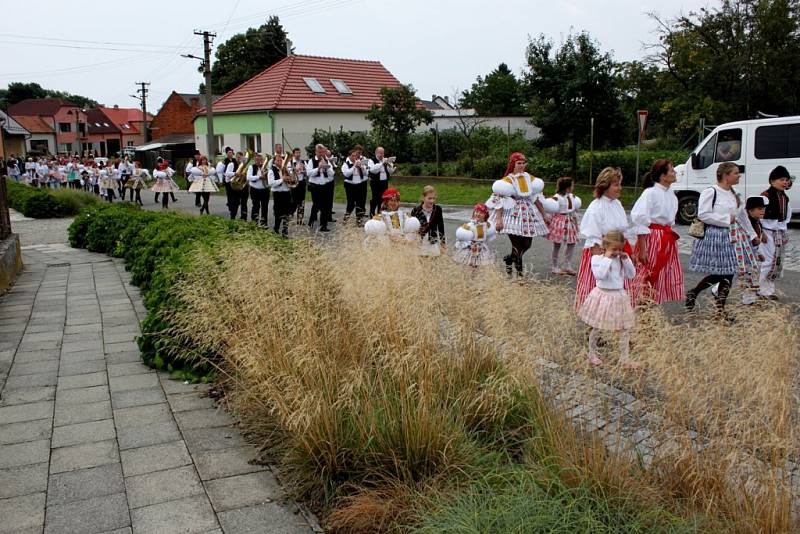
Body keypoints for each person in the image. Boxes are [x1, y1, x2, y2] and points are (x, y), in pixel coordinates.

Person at [685, 162, 755, 319]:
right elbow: (703, 214)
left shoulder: (735, 193)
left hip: (733, 236)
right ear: (726, 175)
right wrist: (725, 219)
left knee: (729, 273)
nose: (739, 175)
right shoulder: (711, 192)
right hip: (715, 236)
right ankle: (699, 295)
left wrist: (753, 235)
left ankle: (717, 308)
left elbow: (742, 216)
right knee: (722, 273)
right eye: (736, 173)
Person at [576, 167, 639, 309]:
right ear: (605, 186)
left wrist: (629, 252)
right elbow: (594, 238)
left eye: (620, 184)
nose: (620, 188)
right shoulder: (596, 207)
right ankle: (594, 322)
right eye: (616, 185)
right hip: (602, 253)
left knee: (618, 293)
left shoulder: (617, 204)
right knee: (600, 296)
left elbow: (622, 232)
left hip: (617, 250)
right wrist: (604, 259)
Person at [486, 152, 553, 277]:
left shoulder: (529, 178)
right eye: (519, 163)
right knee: (517, 245)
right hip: (512, 214)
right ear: (513, 164)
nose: (522, 166)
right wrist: (499, 219)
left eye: (523, 163)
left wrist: (544, 214)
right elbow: (500, 200)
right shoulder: (507, 181)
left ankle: (509, 259)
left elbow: (535, 197)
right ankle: (520, 275)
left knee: (527, 244)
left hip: (528, 213)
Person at [578, 230, 638, 368]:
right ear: (605, 247)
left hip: (618, 296)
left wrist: (626, 259)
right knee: (597, 327)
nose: (617, 252)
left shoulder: (620, 259)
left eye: (620, 249)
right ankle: (591, 354)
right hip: (603, 295)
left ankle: (625, 359)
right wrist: (607, 258)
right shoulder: (597, 259)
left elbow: (631, 275)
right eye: (614, 249)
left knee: (624, 328)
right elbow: (600, 275)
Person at [629, 159, 684, 304]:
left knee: (661, 275)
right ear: (663, 176)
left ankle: (652, 307)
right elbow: (640, 219)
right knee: (647, 273)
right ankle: (642, 306)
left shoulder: (671, 194)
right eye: (671, 170)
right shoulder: (650, 193)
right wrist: (642, 248)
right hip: (653, 237)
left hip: (666, 237)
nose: (674, 173)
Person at [758, 165, 792, 300]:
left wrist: (782, 230)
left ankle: (769, 290)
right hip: (767, 232)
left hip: (778, 232)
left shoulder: (784, 197)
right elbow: (757, 216)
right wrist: (761, 233)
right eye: (782, 179)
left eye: (786, 180)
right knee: (767, 262)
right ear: (772, 181)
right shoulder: (765, 196)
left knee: (776, 262)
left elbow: (786, 217)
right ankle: (760, 290)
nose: (785, 182)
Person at [548, 176, 582, 275]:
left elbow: (574, 209)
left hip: (570, 221)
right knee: (557, 244)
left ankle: (568, 265)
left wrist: (576, 222)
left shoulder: (572, 196)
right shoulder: (557, 197)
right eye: (572, 185)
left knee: (572, 243)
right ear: (567, 187)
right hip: (560, 222)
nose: (573, 187)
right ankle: (554, 266)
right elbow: (551, 208)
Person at [454, 203, 496, 268]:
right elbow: (463, 236)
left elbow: (489, 234)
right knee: (470, 264)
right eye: (476, 212)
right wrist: (470, 243)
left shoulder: (487, 225)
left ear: (485, 215)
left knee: (479, 264)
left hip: (481, 247)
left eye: (481, 212)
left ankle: (476, 276)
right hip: (471, 248)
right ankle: (469, 276)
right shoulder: (469, 225)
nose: (478, 214)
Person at [410, 185, 446, 257]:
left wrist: (443, 243)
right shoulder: (416, 210)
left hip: (432, 243)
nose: (432, 201)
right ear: (423, 198)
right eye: (429, 198)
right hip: (420, 244)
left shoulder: (438, 209)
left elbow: (441, 227)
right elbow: (411, 228)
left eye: (433, 198)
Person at [306, 144, 335, 232]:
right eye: (319, 152)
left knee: (325, 206)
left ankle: (323, 225)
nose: (321, 154)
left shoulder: (326, 160)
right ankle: (311, 221)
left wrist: (327, 167)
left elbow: (332, 174)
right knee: (316, 205)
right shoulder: (311, 161)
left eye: (322, 152)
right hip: (315, 186)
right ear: (316, 152)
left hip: (325, 186)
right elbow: (309, 173)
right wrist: (318, 168)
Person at [341, 146, 369, 224]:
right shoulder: (346, 164)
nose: (354, 157)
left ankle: (359, 220)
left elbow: (366, 173)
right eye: (352, 156)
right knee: (351, 203)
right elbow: (346, 174)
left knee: (360, 203)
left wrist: (362, 167)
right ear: (349, 156)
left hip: (359, 185)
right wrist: (354, 166)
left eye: (355, 156)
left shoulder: (360, 162)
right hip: (350, 185)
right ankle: (346, 218)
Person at [268, 154, 293, 237]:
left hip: (286, 193)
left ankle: (285, 231)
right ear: (274, 161)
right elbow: (271, 183)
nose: (280, 162)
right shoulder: (271, 170)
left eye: (281, 160)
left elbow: (291, 180)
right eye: (278, 160)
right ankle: (276, 229)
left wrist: (290, 178)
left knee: (287, 213)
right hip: (278, 194)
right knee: (278, 213)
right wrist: (282, 179)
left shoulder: (285, 169)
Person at [368, 147, 395, 217]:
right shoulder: (372, 160)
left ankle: (380, 214)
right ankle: (372, 213)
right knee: (375, 198)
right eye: (380, 153)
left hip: (384, 182)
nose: (382, 155)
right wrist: (382, 163)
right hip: (375, 182)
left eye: (383, 153)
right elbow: (373, 170)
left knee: (383, 199)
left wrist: (389, 165)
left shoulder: (385, 160)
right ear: (376, 153)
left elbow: (391, 171)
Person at [247, 153, 269, 226]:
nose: (259, 161)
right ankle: (254, 223)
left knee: (265, 207)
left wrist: (267, 176)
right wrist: (259, 177)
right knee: (256, 206)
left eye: (260, 159)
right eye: (257, 160)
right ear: (254, 160)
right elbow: (249, 177)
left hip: (265, 190)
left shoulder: (265, 167)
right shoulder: (251, 167)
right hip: (255, 190)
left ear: (262, 160)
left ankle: (264, 223)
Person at [287, 147, 307, 224]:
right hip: (294, 183)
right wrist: (293, 170)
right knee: (294, 201)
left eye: (299, 153)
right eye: (296, 153)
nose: (298, 154)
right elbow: (288, 172)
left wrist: (304, 169)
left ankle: (300, 220)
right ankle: (290, 215)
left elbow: (307, 172)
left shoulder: (303, 162)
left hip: (302, 183)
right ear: (293, 154)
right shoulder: (290, 162)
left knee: (302, 202)